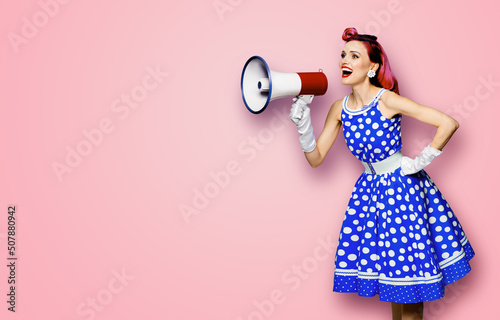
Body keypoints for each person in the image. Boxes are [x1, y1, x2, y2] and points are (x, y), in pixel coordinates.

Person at [289, 27, 474, 320]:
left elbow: (447, 123)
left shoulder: (386, 100)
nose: (343, 61)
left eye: (354, 55)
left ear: (373, 67)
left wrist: (417, 163)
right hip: (370, 194)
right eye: (342, 55)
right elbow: (316, 159)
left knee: (410, 287)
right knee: (394, 283)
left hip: (403, 193)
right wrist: (302, 125)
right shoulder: (340, 108)